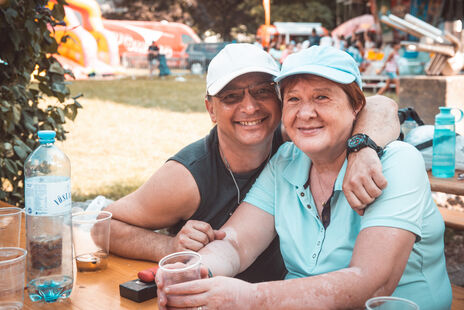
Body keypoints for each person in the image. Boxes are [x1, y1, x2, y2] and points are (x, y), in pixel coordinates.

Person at [156, 46, 452, 310]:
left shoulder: (397, 162)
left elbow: (371, 282)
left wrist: (248, 298)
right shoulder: (286, 160)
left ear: (356, 105)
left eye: (321, 97)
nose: (306, 112)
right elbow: (235, 243)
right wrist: (198, 270)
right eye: (294, 99)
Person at [105, 43, 400, 283]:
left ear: (278, 98)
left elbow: (380, 104)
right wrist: (170, 249)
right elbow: (102, 226)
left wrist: (362, 148)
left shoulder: (296, 140)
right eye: (231, 96)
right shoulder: (188, 176)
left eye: (262, 91)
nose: (250, 107)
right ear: (211, 109)